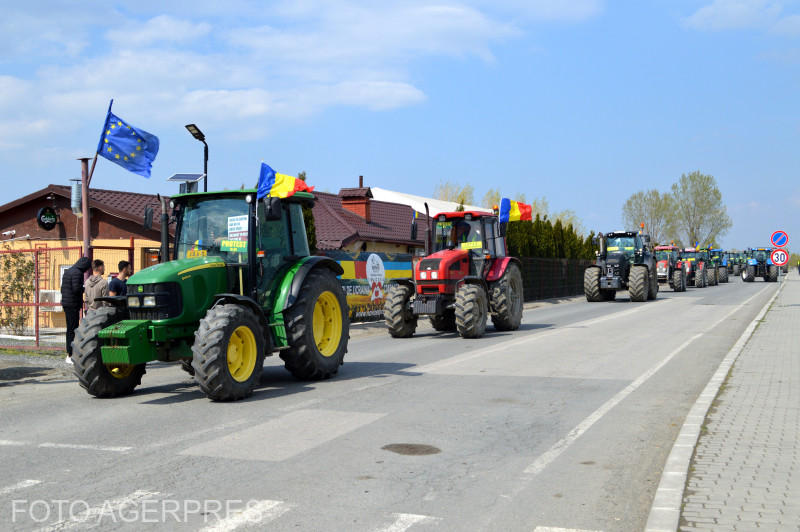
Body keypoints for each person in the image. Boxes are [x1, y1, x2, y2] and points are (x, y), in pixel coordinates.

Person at [60, 256, 91, 364]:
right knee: (72, 329)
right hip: (72, 304)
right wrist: (85, 288)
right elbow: (76, 288)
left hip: (66, 303)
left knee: (70, 329)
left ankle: (70, 353)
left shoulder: (68, 271)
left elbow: (62, 288)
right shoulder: (78, 273)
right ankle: (70, 354)